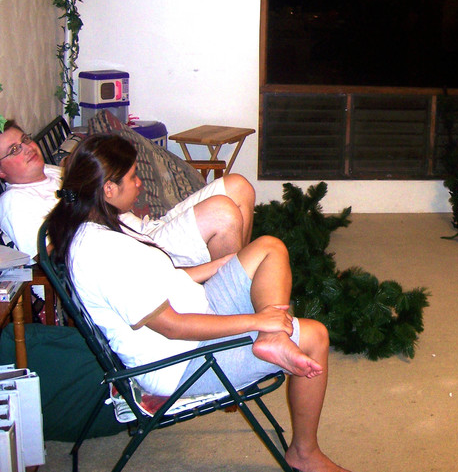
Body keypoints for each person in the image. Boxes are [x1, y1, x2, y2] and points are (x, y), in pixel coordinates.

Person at [45, 134, 350, 472]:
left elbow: (168, 277)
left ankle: (273, 342)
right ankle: (304, 454)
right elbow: (173, 327)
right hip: (180, 361)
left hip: (199, 306)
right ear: (108, 189)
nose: (139, 182)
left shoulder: (104, 221)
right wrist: (257, 321)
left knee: (269, 247)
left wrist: (226, 263)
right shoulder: (104, 253)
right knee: (314, 336)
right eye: (132, 176)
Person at [0, 119, 254, 265]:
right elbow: (45, 259)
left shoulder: (54, 171)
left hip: (145, 228)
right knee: (223, 213)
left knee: (238, 186)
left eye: (24, 139)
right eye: (13, 150)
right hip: (134, 249)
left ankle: (239, 274)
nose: (26, 148)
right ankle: (230, 295)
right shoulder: (14, 201)